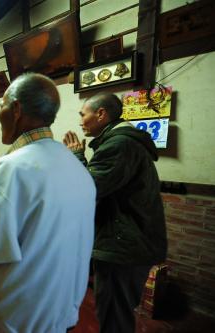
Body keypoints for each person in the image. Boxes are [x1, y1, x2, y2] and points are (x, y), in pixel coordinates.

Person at [0, 73, 96, 333]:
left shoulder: (11, 169)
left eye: (2, 105)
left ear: (15, 109)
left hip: (21, 320)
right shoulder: (77, 167)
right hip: (60, 312)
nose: (1, 112)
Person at [63, 93, 167, 333]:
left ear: (101, 114)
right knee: (114, 310)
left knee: (114, 315)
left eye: (83, 114)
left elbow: (88, 189)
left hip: (123, 247)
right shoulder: (119, 141)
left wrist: (77, 156)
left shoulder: (118, 145)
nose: (80, 121)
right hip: (128, 242)